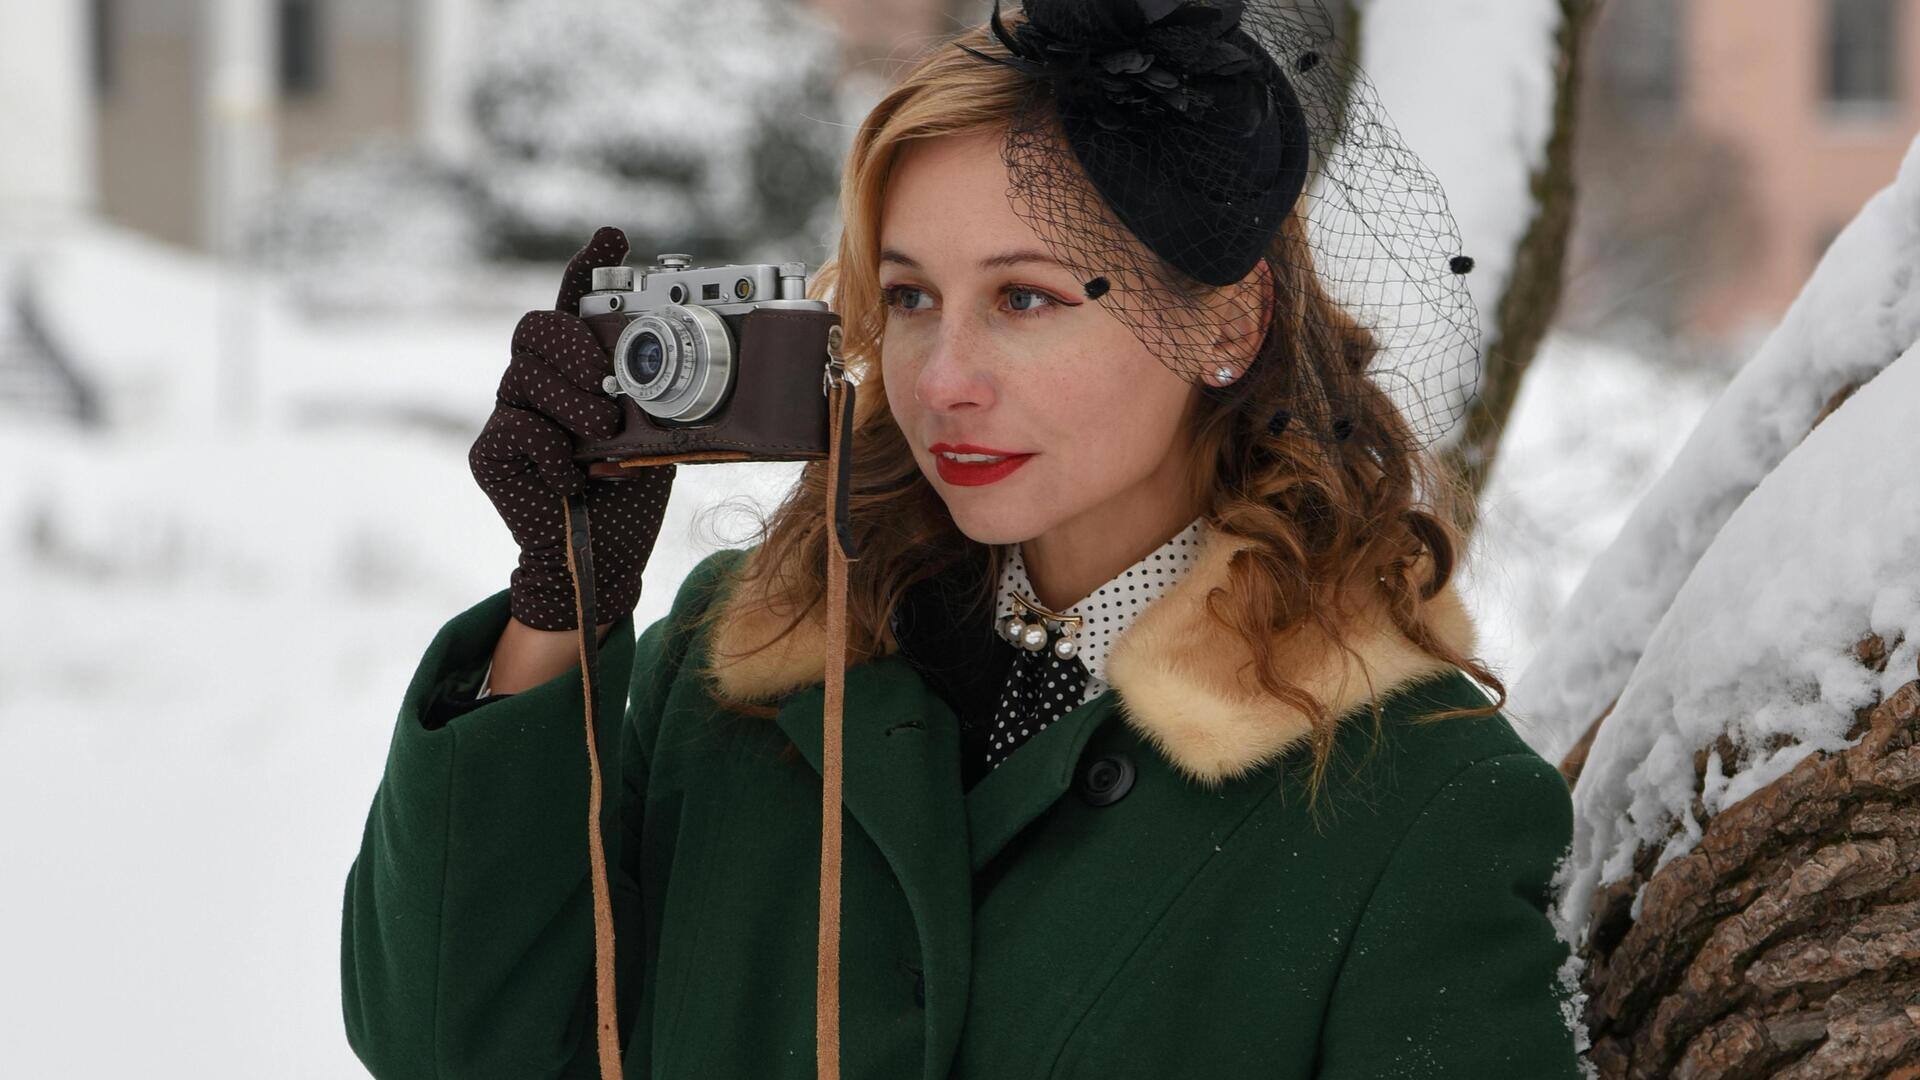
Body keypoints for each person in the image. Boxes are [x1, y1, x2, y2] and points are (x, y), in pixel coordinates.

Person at [341, 3, 1584, 1078]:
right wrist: (563, 609)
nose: (942, 379)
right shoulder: (741, 673)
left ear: (1227, 319)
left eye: (1027, 298)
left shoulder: (1414, 805)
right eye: (911, 298)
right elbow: (454, 1047)